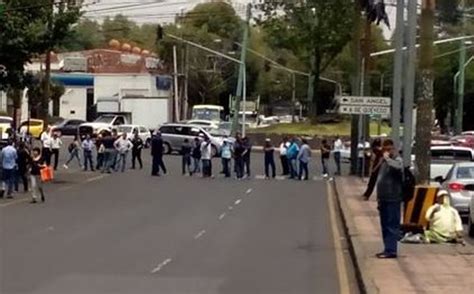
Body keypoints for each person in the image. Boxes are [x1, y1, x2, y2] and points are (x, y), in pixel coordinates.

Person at [375, 139, 403, 259]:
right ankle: (387, 248)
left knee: (392, 225)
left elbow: (398, 167)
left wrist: (387, 159)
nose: (386, 151)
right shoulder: (384, 162)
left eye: (389, 149)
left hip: (393, 198)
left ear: (393, 149)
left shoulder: (397, 159)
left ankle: (391, 250)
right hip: (383, 198)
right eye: (384, 149)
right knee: (385, 225)